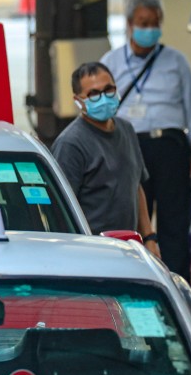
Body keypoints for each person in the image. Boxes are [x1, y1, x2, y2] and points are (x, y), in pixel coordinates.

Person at [102, 0, 191, 281]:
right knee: (134, 219)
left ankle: (177, 284)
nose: (149, 28)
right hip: (129, 146)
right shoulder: (110, 62)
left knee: (175, 221)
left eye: (154, 23)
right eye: (142, 22)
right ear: (129, 24)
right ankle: (139, 281)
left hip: (170, 146)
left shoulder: (176, 61)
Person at [51, 62, 159, 256]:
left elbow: (136, 186)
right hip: (92, 252)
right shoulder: (71, 144)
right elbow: (61, 209)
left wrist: (149, 237)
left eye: (108, 90)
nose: (103, 98)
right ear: (78, 100)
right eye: (93, 94)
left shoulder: (126, 130)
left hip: (129, 248)